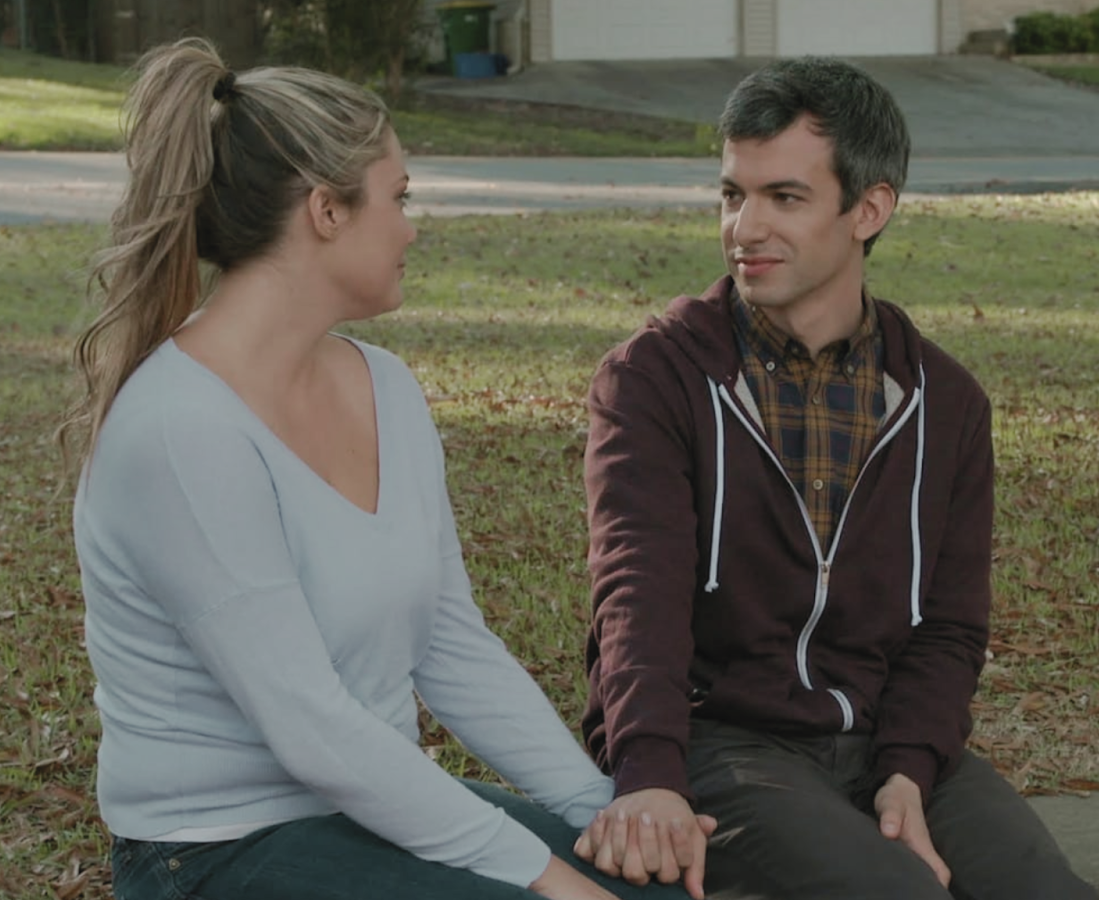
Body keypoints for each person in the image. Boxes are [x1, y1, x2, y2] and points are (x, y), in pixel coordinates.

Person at [60, 38, 689, 900]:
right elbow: (309, 725)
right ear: (326, 210)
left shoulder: (384, 387)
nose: (412, 226)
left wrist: (600, 811)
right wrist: (545, 875)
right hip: (213, 851)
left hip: (364, 810)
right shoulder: (179, 429)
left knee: (655, 888)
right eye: (399, 197)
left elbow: (450, 644)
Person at [573, 57, 1099, 900]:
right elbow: (637, 596)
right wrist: (650, 772)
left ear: (870, 209)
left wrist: (909, 771)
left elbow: (949, 628)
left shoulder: (945, 403)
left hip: (883, 742)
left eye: (784, 197)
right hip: (724, 746)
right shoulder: (655, 380)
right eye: (732, 194)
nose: (745, 228)